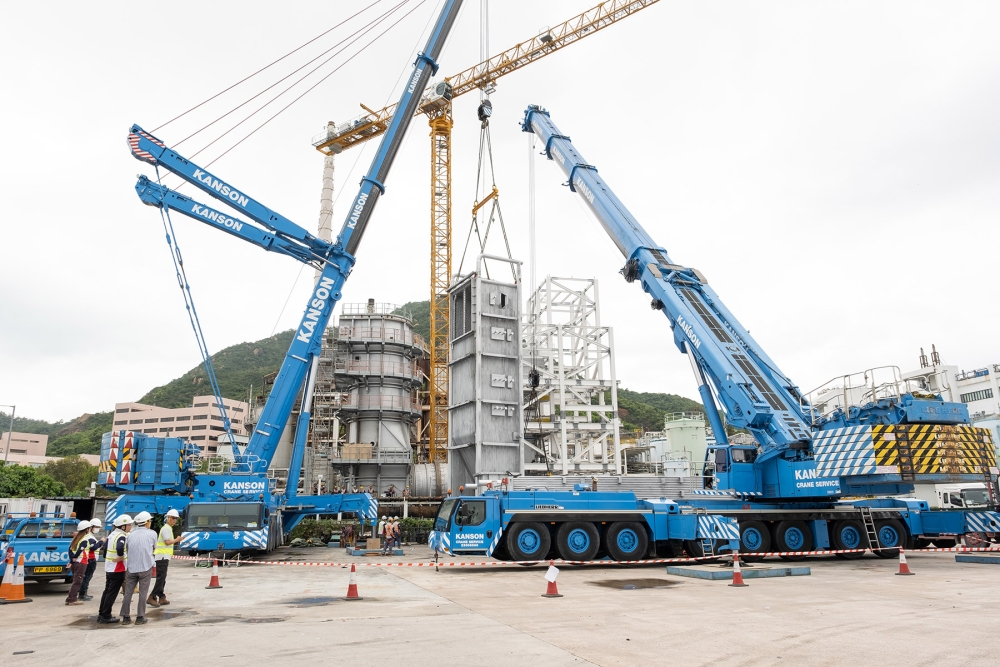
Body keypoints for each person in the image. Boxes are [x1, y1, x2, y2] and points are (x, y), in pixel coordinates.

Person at [121, 511, 157, 625]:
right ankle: (140, 617)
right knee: (143, 593)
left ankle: (126, 617)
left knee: (128, 593)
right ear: (146, 522)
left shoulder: (130, 535)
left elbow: (127, 549)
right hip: (146, 567)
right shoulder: (152, 534)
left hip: (131, 568)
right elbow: (154, 547)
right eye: (149, 521)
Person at [97, 514, 132, 624]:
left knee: (107, 591)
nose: (130, 526)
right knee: (112, 592)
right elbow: (120, 547)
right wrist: (121, 556)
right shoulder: (121, 536)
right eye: (129, 525)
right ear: (123, 527)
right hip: (118, 568)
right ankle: (106, 615)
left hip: (109, 567)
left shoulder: (112, 534)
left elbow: (106, 549)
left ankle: (102, 613)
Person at [149, 508, 183, 607]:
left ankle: (161, 597)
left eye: (176, 518)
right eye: (173, 518)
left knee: (162, 578)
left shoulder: (168, 528)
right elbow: (167, 542)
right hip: (162, 556)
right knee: (161, 578)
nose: (174, 520)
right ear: (168, 518)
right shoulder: (166, 529)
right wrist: (177, 539)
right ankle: (152, 596)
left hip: (164, 556)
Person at [65, 520, 91, 605]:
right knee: (77, 581)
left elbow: (70, 550)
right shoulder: (84, 539)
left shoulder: (75, 539)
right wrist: (75, 557)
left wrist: (72, 560)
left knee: (75, 581)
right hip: (81, 562)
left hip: (76, 563)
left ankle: (70, 598)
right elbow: (81, 549)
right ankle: (72, 599)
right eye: (89, 528)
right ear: (86, 529)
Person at [78, 519, 104, 601]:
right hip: (90, 559)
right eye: (96, 527)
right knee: (87, 577)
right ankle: (82, 594)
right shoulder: (89, 537)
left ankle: (83, 593)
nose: (98, 529)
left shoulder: (88, 536)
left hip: (89, 559)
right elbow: (93, 547)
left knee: (86, 577)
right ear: (91, 527)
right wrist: (101, 542)